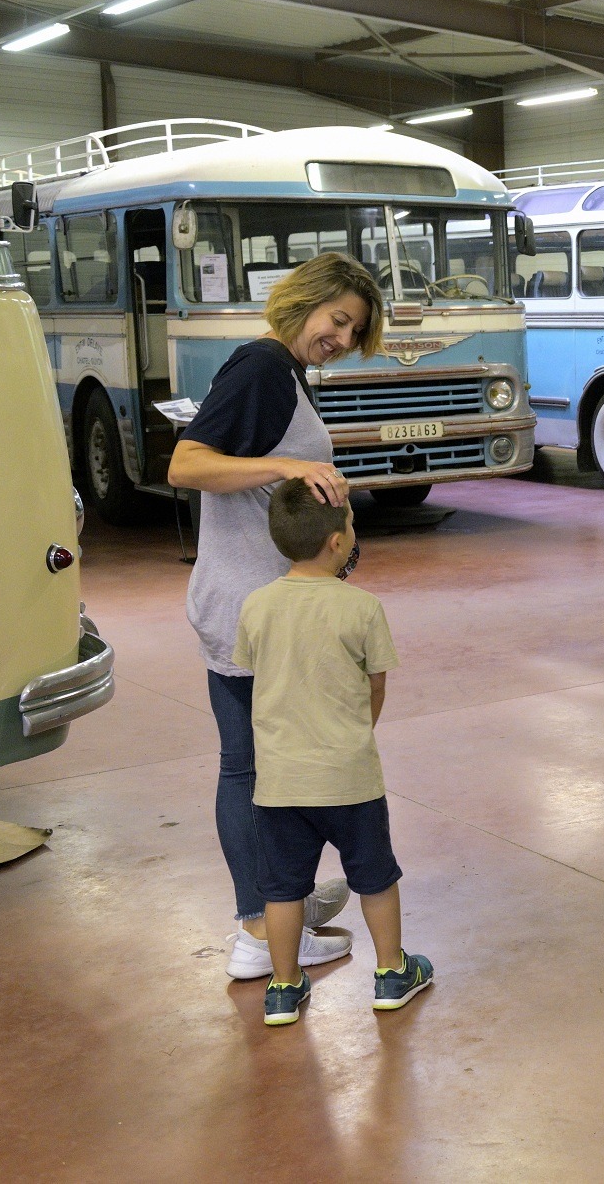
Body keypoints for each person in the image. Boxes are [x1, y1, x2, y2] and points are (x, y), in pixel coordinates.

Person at [167, 253, 384, 981]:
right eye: (338, 320)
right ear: (306, 301)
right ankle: (261, 927)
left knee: (269, 766)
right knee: (253, 768)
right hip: (248, 609)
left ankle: (279, 901)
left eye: (352, 331)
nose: (341, 339)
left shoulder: (284, 372)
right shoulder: (260, 366)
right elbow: (187, 465)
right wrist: (288, 467)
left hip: (259, 603)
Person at [237, 480, 432, 1026]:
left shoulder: (255, 606)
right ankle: (391, 973)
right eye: (351, 524)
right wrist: (354, 733)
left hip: (280, 783)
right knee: (375, 878)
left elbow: (257, 677)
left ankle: (282, 988)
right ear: (336, 542)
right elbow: (376, 685)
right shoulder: (362, 608)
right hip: (349, 779)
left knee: (282, 889)